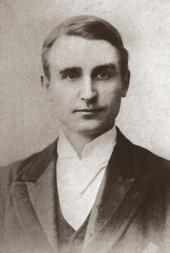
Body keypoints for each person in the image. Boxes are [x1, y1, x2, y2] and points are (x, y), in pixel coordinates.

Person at [0, 15, 170, 253]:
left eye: (103, 74)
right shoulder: (4, 184)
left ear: (125, 83)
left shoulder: (165, 182)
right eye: (71, 75)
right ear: (47, 86)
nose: (88, 93)